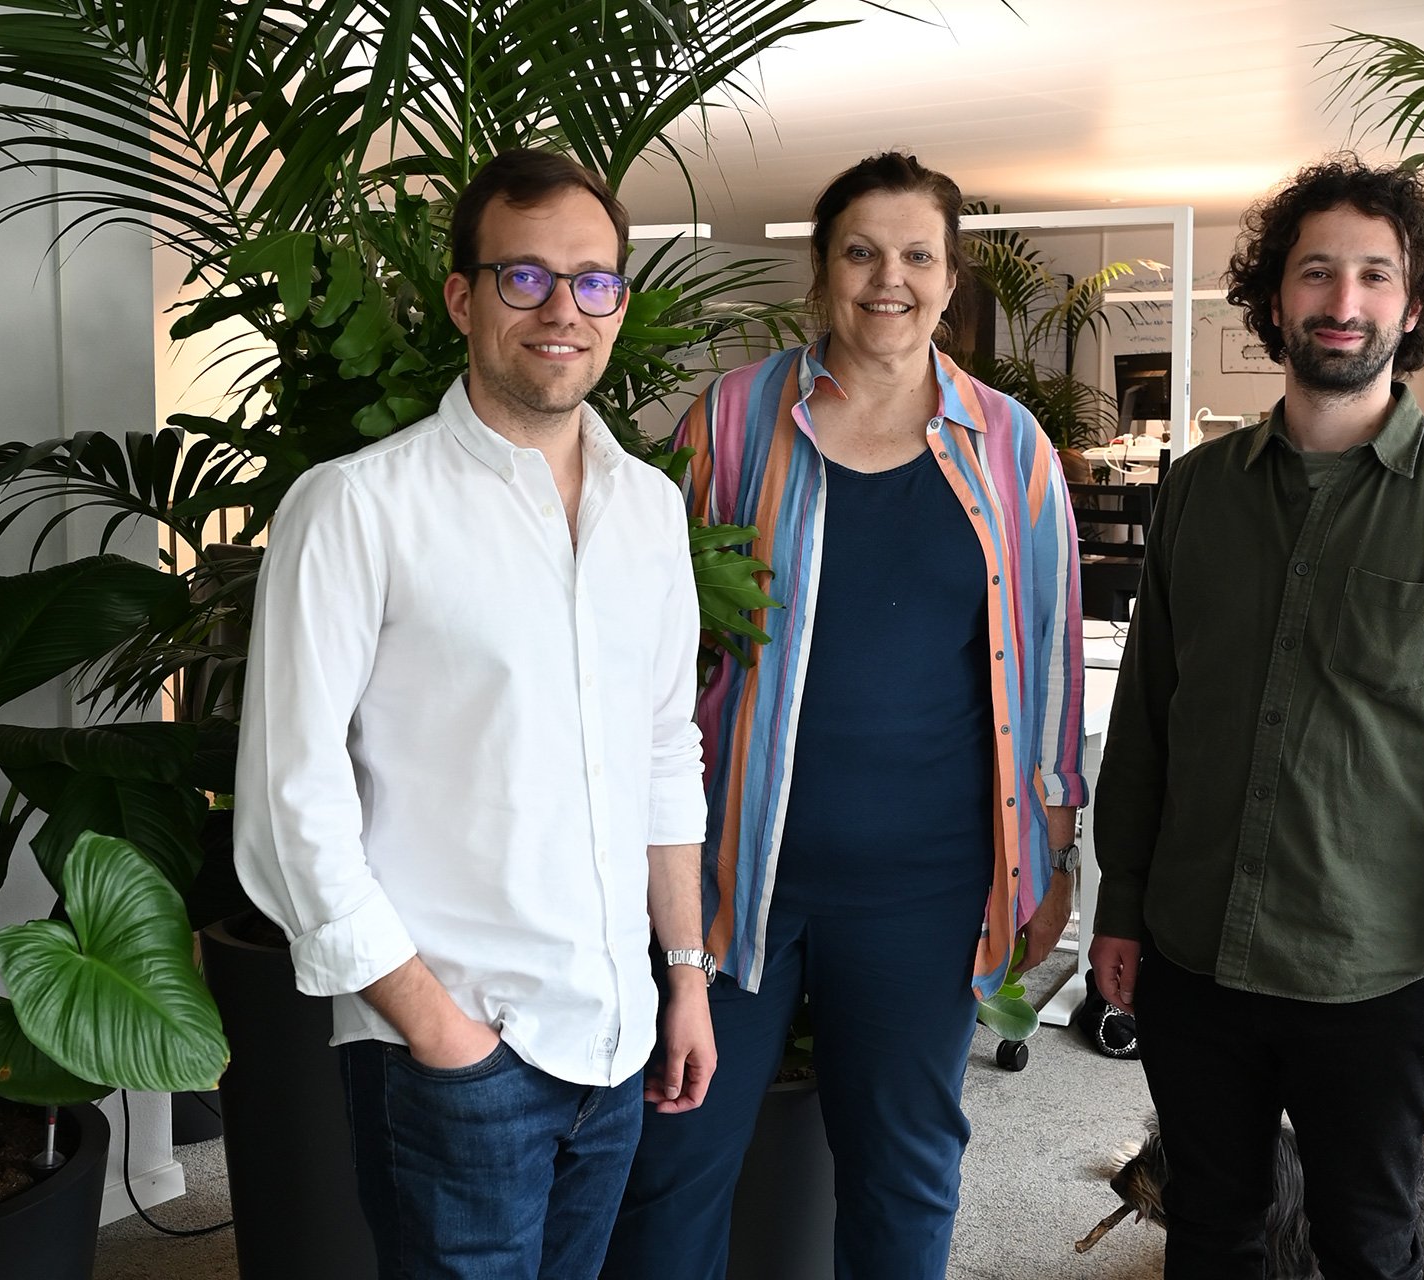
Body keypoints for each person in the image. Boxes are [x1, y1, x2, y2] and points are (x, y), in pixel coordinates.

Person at [1089, 156, 1424, 1280]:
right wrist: (1121, 901)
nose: (1342, 303)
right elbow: (1152, 717)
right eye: (1316, 273)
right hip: (1192, 952)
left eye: (1373, 275)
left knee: (1366, 1241)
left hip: (1369, 968)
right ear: (1275, 298)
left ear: (1412, 306)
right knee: (1208, 1232)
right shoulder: (1201, 491)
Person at [602, 151, 1088, 1280]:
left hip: (926, 881)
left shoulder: (1013, 447)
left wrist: (1055, 848)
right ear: (821, 271)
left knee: (904, 1167)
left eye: (918, 254)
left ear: (951, 278)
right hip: (732, 869)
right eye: (861, 251)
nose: (889, 277)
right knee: (675, 1153)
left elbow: (1051, 666)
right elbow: (653, 635)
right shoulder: (729, 419)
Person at [234, 148, 716, 1280]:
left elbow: (662, 750)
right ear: (462, 297)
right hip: (452, 1047)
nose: (563, 309)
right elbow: (286, 801)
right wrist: (438, 1028)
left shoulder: (648, 510)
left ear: (620, 305)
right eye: (525, 277)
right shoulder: (359, 506)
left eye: (593, 281)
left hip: (616, 1035)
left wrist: (683, 973)